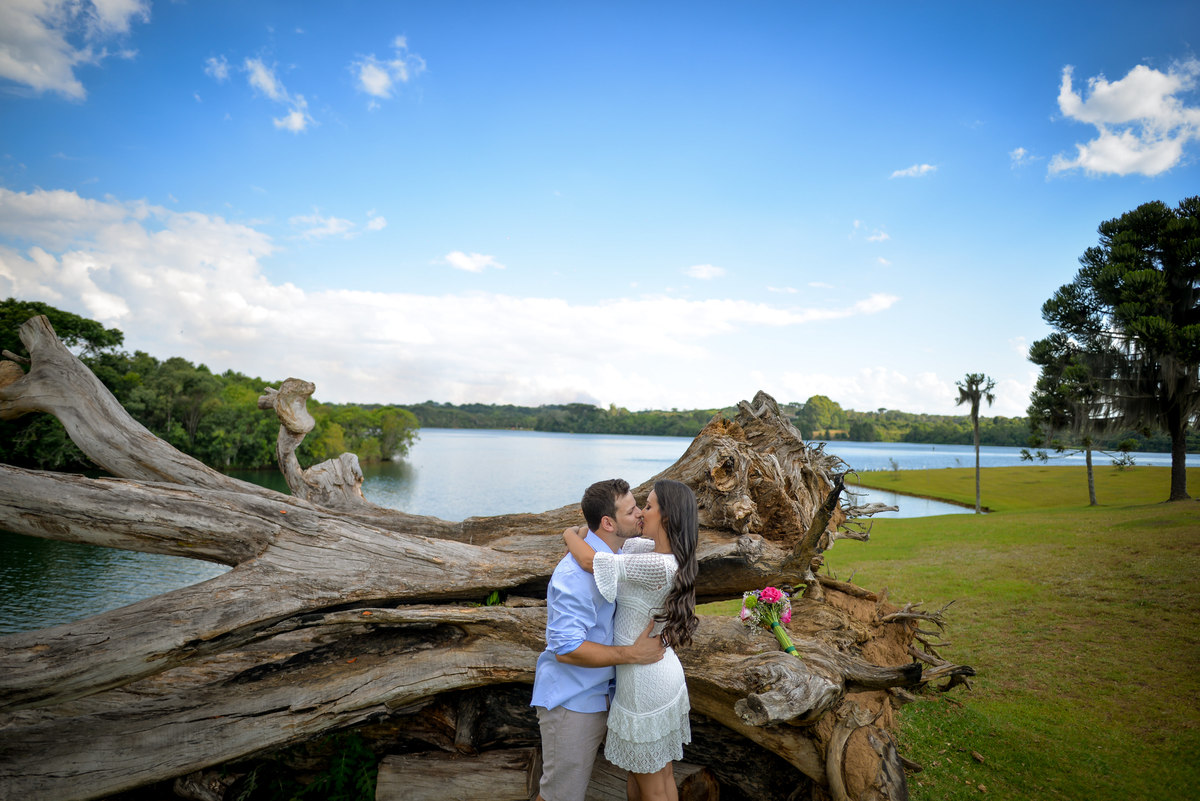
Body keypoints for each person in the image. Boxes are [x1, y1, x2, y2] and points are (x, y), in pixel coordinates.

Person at [561, 478, 699, 801]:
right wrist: (594, 530)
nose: (641, 513)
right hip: (655, 675)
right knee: (657, 777)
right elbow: (613, 545)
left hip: (644, 686)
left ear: (666, 517)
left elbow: (590, 560)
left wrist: (569, 534)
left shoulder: (658, 565)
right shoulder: (651, 550)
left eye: (648, 507)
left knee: (651, 789)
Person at [531, 478, 667, 801]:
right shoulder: (574, 578)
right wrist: (632, 654)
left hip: (605, 697)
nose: (639, 516)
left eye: (640, 508)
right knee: (560, 797)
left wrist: (571, 534)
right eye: (632, 510)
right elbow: (566, 649)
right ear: (608, 522)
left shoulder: (614, 556)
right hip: (572, 703)